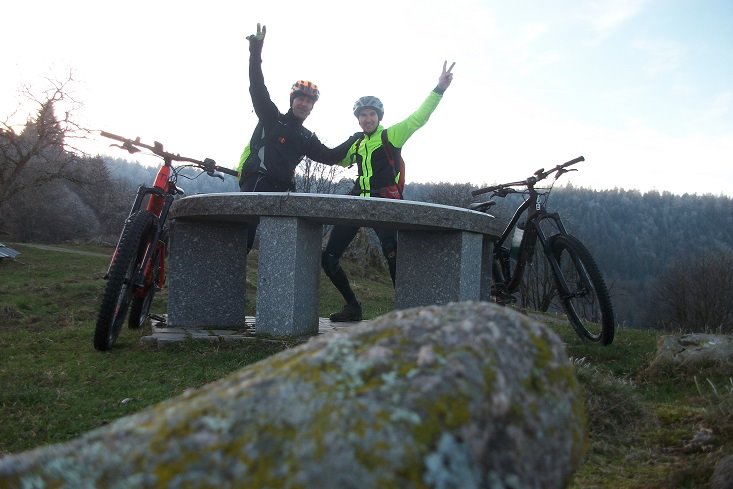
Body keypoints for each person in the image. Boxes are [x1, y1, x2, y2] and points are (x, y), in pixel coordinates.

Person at [322, 61, 456, 322]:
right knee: (328, 258)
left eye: (371, 114)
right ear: (358, 119)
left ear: (379, 117)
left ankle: (407, 315)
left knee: (394, 255)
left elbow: (419, 118)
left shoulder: (391, 136)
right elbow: (333, 157)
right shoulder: (357, 143)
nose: (367, 118)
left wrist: (439, 88)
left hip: (385, 203)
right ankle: (353, 307)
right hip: (357, 202)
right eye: (362, 115)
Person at [237, 23, 361, 251]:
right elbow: (257, 87)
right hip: (257, 181)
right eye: (300, 99)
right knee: (243, 240)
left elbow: (330, 156)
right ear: (292, 100)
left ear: (312, 107)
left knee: (285, 248)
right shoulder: (271, 117)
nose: (304, 104)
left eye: (309, 101)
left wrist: (355, 137)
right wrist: (256, 51)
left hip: (284, 189)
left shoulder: (305, 137)